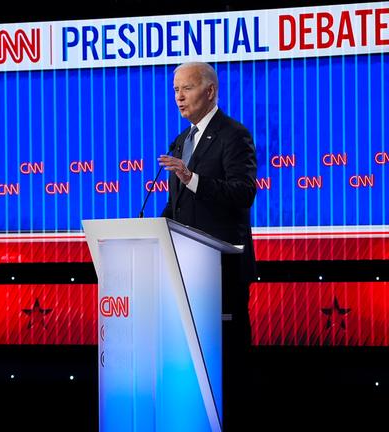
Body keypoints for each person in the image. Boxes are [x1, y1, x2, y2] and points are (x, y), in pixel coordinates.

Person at [158, 62, 257, 429]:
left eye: (186, 88)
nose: (179, 97)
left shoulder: (234, 135)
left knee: (227, 362)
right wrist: (154, 226)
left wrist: (192, 177)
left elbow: (243, 193)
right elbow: (179, 205)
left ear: (210, 91)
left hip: (222, 269)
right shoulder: (181, 141)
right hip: (185, 269)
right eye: (175, 90)